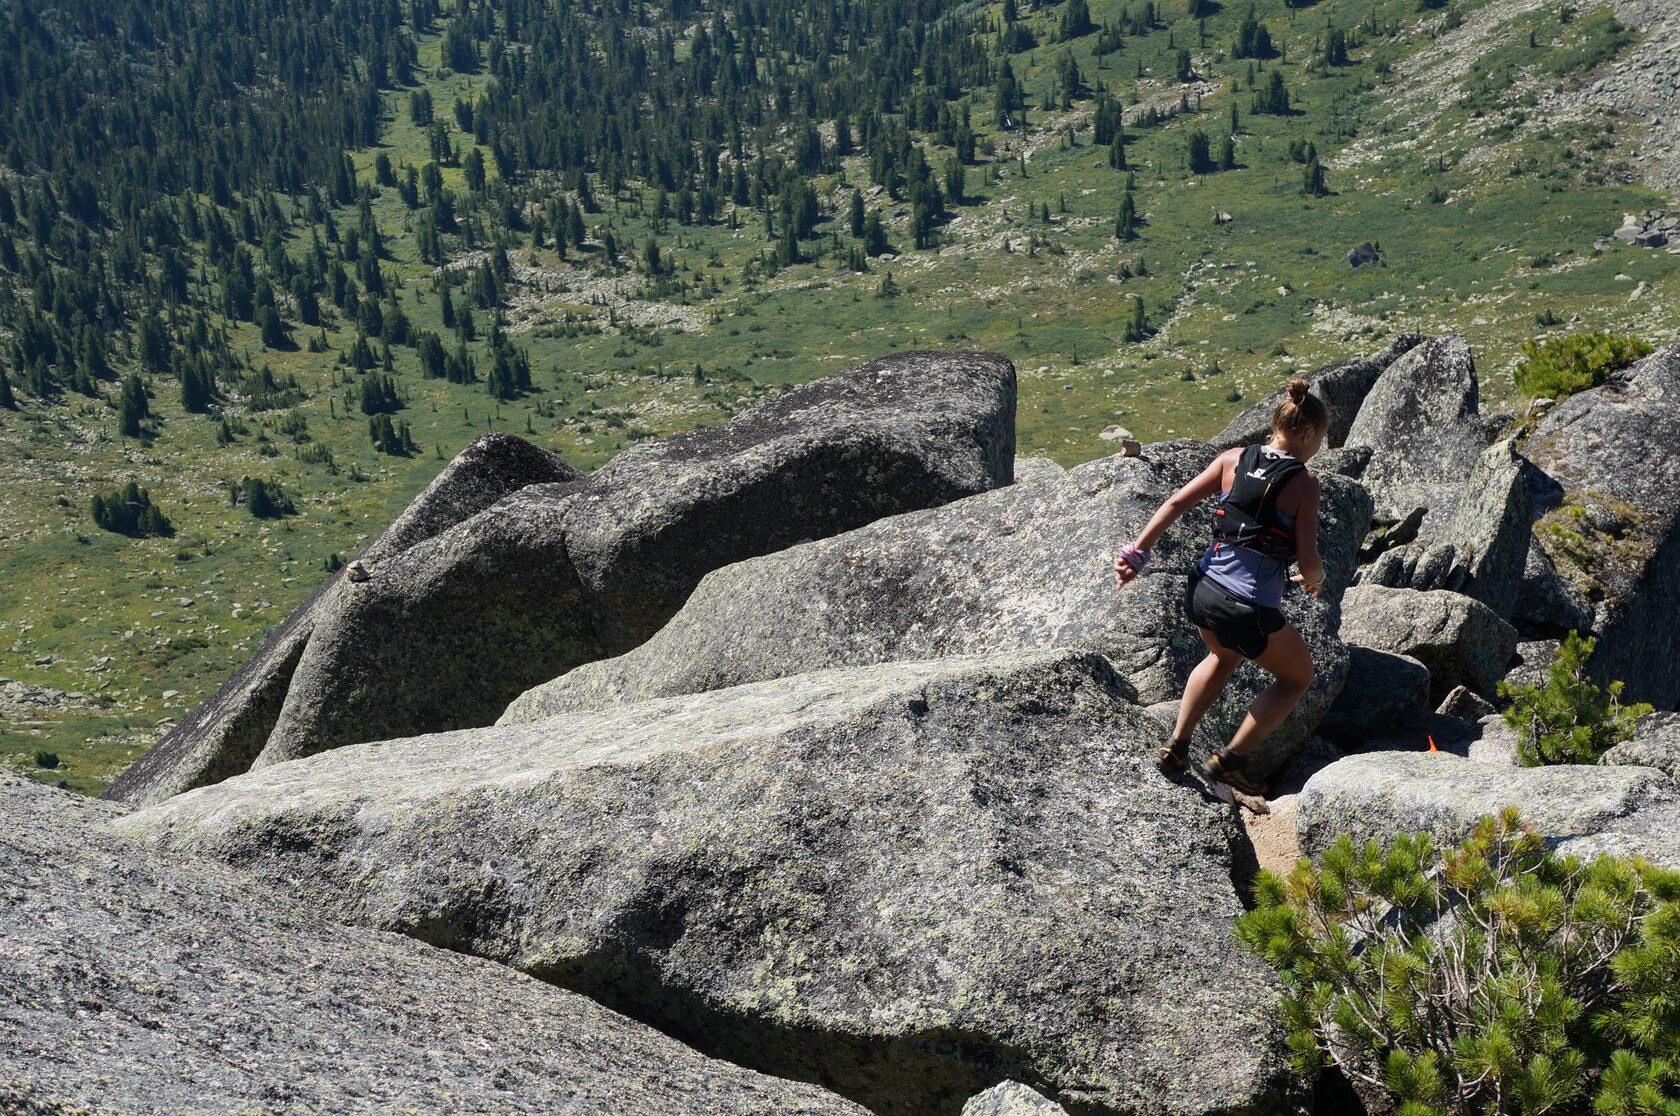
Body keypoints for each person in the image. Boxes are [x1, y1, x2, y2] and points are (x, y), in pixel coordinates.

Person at [1111, 379, 1330, 796]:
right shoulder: (1304, 482)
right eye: (1320, 439)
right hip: (1246, 606)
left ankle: (1177, 746)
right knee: (1297, 677)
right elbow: (1308, 560)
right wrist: (1315, 580)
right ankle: (1230, 761)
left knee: (1222, 655)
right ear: (1306, 435)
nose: (1318, 446)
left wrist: (1136, 555)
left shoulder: (1233, 458)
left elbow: (1176, 503)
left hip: (1203, 589)